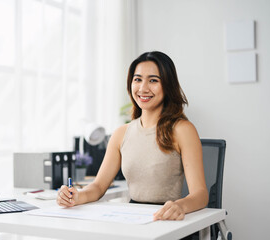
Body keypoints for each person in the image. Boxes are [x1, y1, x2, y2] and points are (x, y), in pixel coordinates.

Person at [57, 51, 208, 221]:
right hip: (133, 218)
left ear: (167, 86)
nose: (143, 88)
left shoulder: (182, 130)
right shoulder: (121, 133)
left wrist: (180, 206)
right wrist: (77, 196)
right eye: (137, 79)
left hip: (166, 218)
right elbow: (99, 186)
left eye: (153, 80)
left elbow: (200, 194)